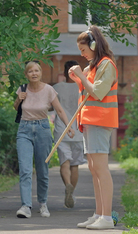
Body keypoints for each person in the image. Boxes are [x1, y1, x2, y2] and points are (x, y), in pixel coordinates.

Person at [68, 25, 118, 229]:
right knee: (93, 168)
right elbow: (87, 90)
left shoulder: (107, 65)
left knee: (101, 169)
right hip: (89, 121)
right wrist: (79, 77)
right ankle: (99, 214)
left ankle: (106, 217)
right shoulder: (96, 66)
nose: (82, 54)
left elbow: (97, 93)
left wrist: (80, 76)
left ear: (94, 45)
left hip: (100, 120)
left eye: (83, 50)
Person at [14, 61, 75, 219]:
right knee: (25, 170)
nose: (33, 74)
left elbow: (59, 110)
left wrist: (68, 127)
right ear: (26, 74)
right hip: (24, 130)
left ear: (41, 73)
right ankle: (26, 206)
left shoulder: (49, 90)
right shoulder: (22, 89)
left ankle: (43, 204)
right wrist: (18, 99)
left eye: (36, 71)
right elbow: (16, 108)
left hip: (42, 130)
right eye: (30, 71)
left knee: (42, 170)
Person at [52, 60, 87, 209]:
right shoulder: (83, 88)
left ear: (65, 72)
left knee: (64, 163)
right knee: (75, 165)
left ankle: (67, 185)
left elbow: (50, 107)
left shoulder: (56, 88)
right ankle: (71, 192)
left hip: (62, 130)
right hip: (79, 131)